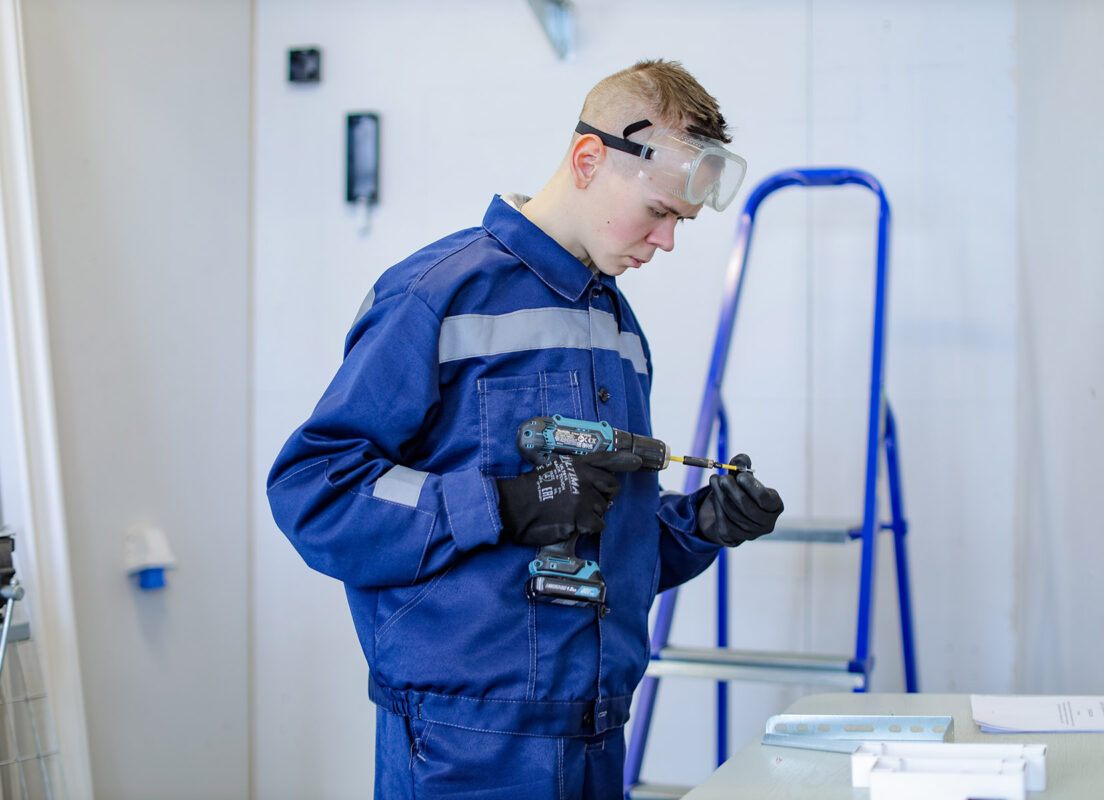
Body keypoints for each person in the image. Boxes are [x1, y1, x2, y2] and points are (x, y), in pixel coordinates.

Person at [267, 59, 784, 800]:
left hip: (595, 733)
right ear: (589, 159)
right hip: (463, 747)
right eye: (659, 212)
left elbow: (595, 535)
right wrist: (502, 503)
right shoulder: (437, 294)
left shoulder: (617, 327)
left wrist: (700, 524)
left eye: (682, 221)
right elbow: (314, 490)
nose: (667, 240)